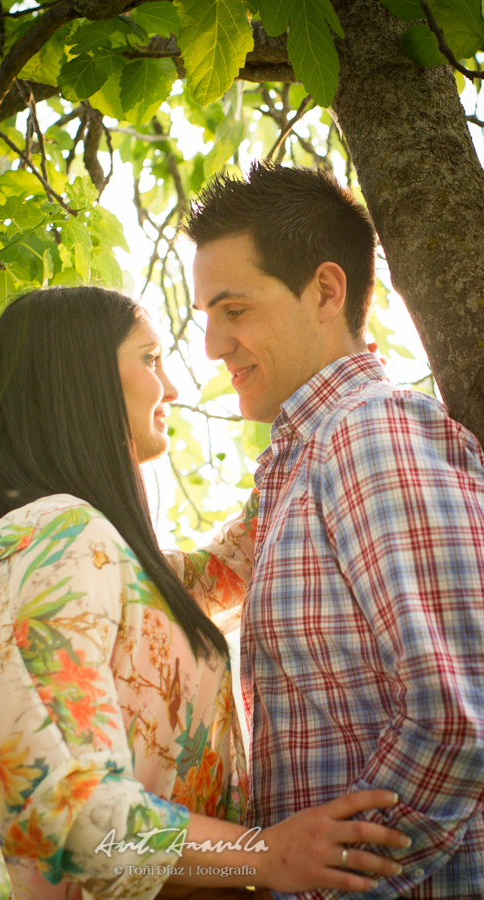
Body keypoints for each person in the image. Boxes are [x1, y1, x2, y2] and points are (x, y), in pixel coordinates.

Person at [0, 286, 408, 900]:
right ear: (78, 379)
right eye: (149, 359)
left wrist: (334, 374)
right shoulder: (59, 536)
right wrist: (263, 856)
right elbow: (46, 804)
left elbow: (232, 560)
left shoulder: (115, 557)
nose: (170, 388)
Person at [182, 161, 484, 899]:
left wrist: (314, 886)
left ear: (323, 290)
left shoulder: (367, 434)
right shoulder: (298, 462)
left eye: (235, 310)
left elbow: (458, 716)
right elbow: (189, 583)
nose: (213, 346)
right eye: (205, 319)